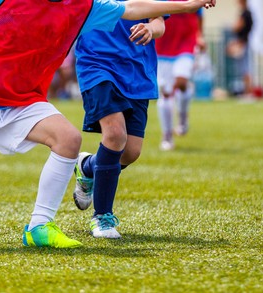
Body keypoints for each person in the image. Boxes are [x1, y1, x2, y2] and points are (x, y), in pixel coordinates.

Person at [0, 0, 217, 248]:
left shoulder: (83, 6)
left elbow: (133, 8)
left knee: (67, 138)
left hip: (21, 99)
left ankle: (39, 226)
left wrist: (187, 6)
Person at [72, 10, 166, 239]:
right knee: (115, 135)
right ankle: (102, 216)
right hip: (97, 65)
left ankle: (87, 166)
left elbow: (159, 21)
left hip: (137, 72)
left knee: (131, 152)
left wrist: (150, 29)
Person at [155, 5, 205, 151]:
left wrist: (200, 36)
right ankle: (167, 135)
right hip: (162, 46)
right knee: (166, 93)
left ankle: (182, 118)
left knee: (182, 81)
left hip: (186, 43)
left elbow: (199, 13)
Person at [227, 0, 253, 98]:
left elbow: (237, 27)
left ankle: (248, 92)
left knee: (245, 69)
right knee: (245, 68)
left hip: (242, 44)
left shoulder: (245, 14)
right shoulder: (248, 13)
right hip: (244, 42)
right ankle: (247, 92)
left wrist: (232, 26)